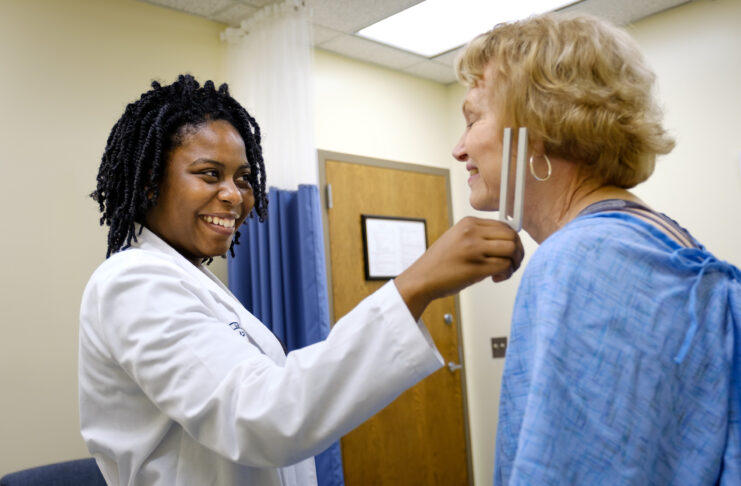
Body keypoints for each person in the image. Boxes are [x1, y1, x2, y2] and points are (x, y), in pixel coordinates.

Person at [79, 74, 524, 486]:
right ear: (149, 184)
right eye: (210, 174)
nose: (234, 195)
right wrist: (416, 285)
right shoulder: (132, 282)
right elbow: (262, 416)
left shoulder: (191, 280)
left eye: (244, 178)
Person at [452, 13, 740, 485]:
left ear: (537, 127)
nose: (459, 149)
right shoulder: (653, 241)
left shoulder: (581, 260)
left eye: (473, 118)